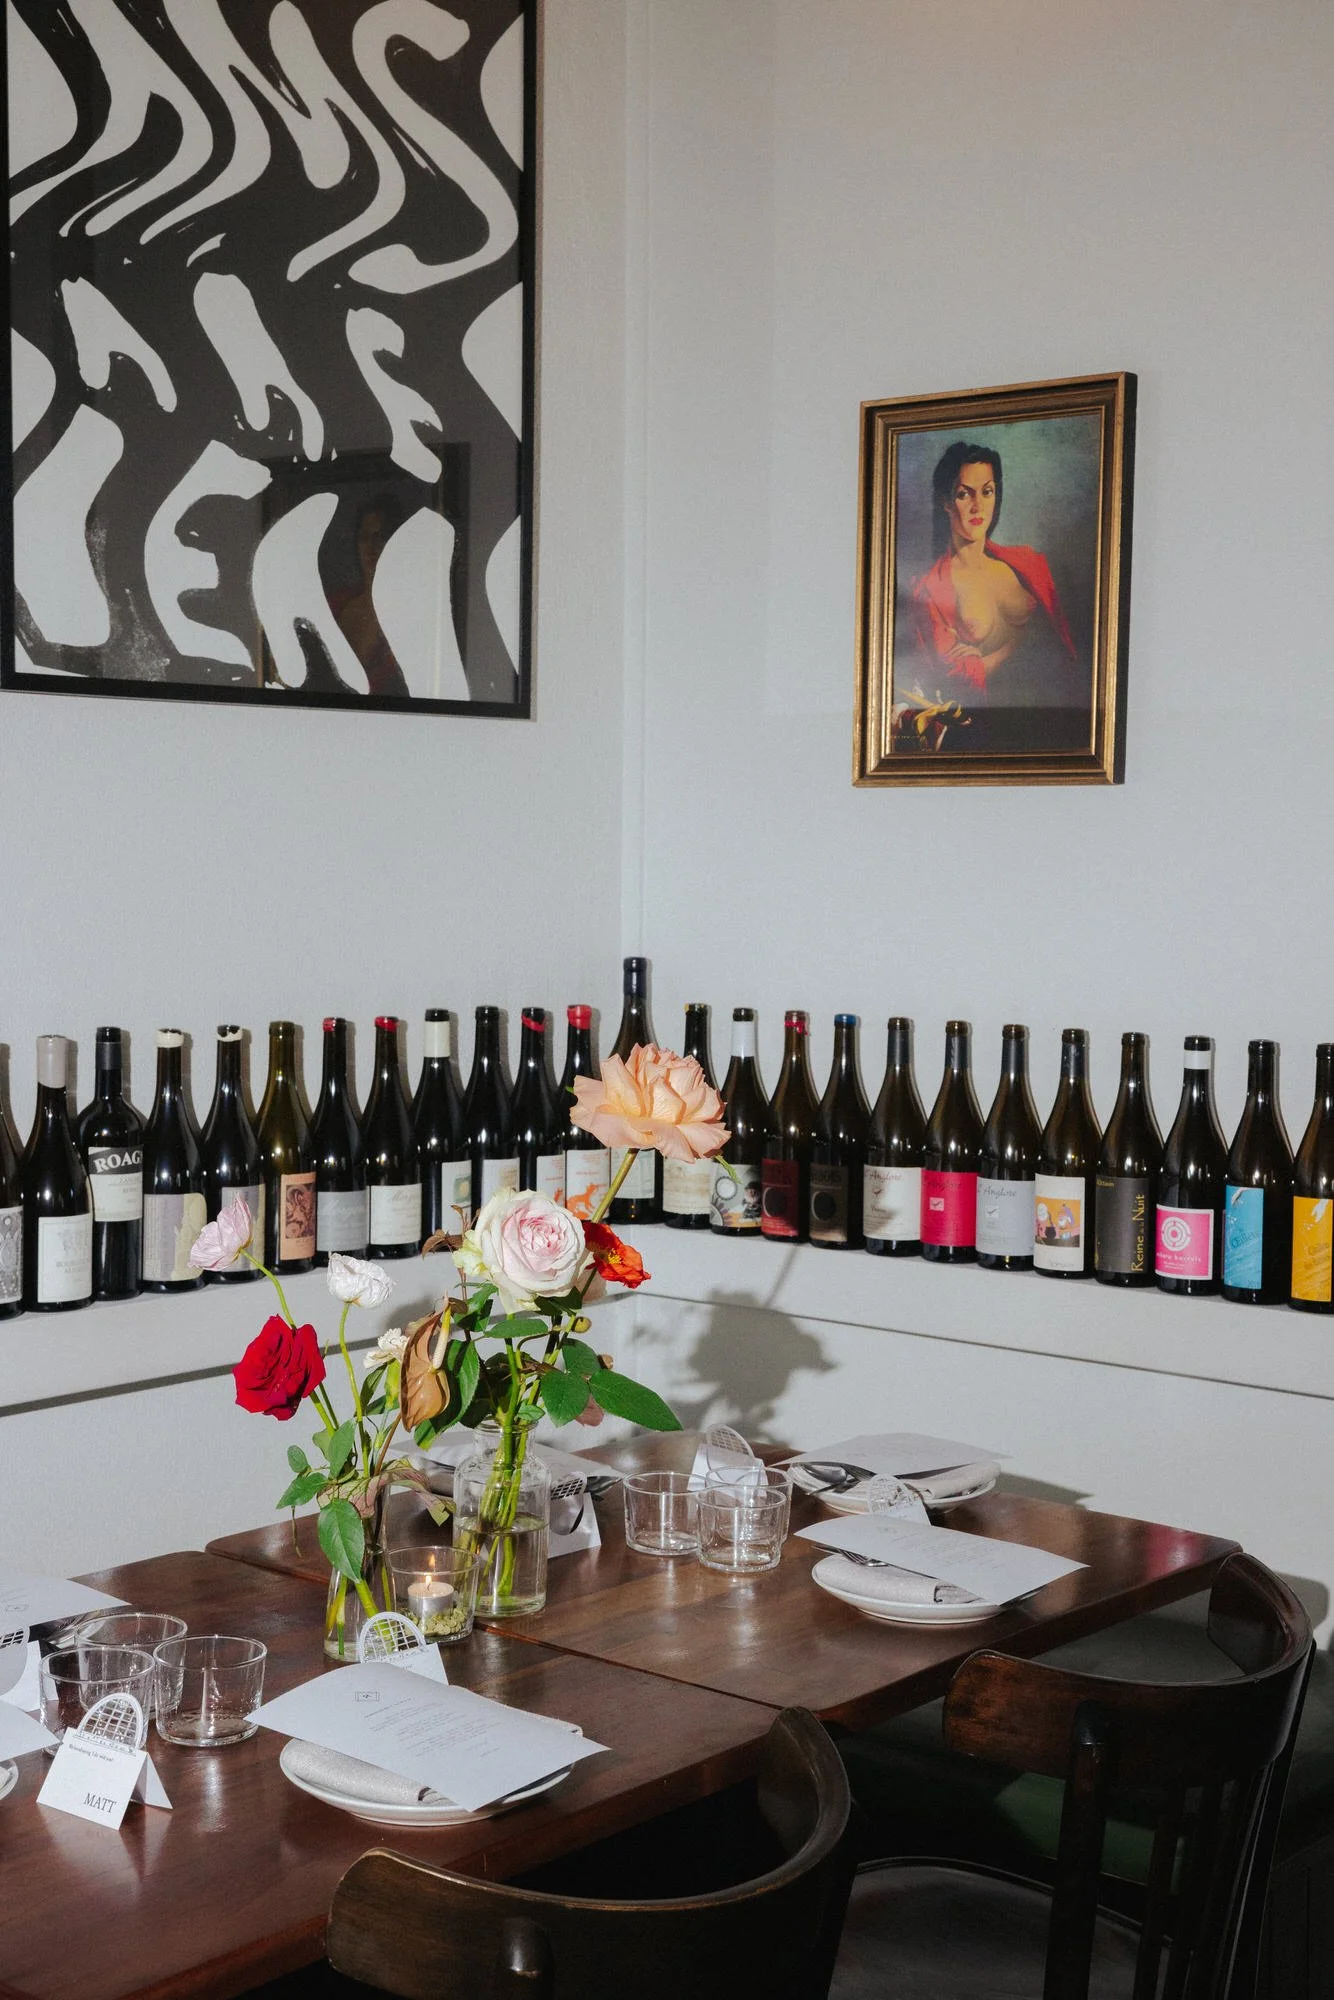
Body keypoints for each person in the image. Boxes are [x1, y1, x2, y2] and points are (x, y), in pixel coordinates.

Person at [901, 441, 1084, 753]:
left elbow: (1064, 646)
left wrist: (1002, 649)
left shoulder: (1028, 564)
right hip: (994, 735)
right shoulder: (929, 588)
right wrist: (1017, 644)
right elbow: (958, 680)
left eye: (987, 491)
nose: (978, 506)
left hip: (1056, 721)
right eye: (964, 494)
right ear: (946, 502)